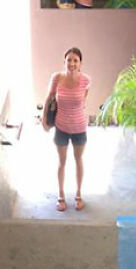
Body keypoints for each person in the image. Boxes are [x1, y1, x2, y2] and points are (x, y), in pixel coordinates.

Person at [42, 47, 91, 212]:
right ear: (64, 62)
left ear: (80, 63)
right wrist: (44, 119)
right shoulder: (56, 78)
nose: (72, 63)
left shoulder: (86, 80)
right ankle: (61, 196)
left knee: (78, 160)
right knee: (62, 162)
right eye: (69, 60)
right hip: (61, 127)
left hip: (79, 128)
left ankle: (78, 195)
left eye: (75, 60)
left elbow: (82, 102)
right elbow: (49, 99)